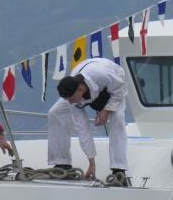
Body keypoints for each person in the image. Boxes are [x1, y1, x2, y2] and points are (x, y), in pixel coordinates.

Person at [48, 57, 129, 185]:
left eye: (70, 99)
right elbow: (82, 128)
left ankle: (119, 170)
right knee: (55, 112)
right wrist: (92, 163)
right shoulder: (72, 97)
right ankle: (62, 164)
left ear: (80, 89)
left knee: (117, 119)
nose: (69, 102)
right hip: (86, 87)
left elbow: (120, 90)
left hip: (115, 86)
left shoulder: (102, 74)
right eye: (67, 99)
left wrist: (107, 110)